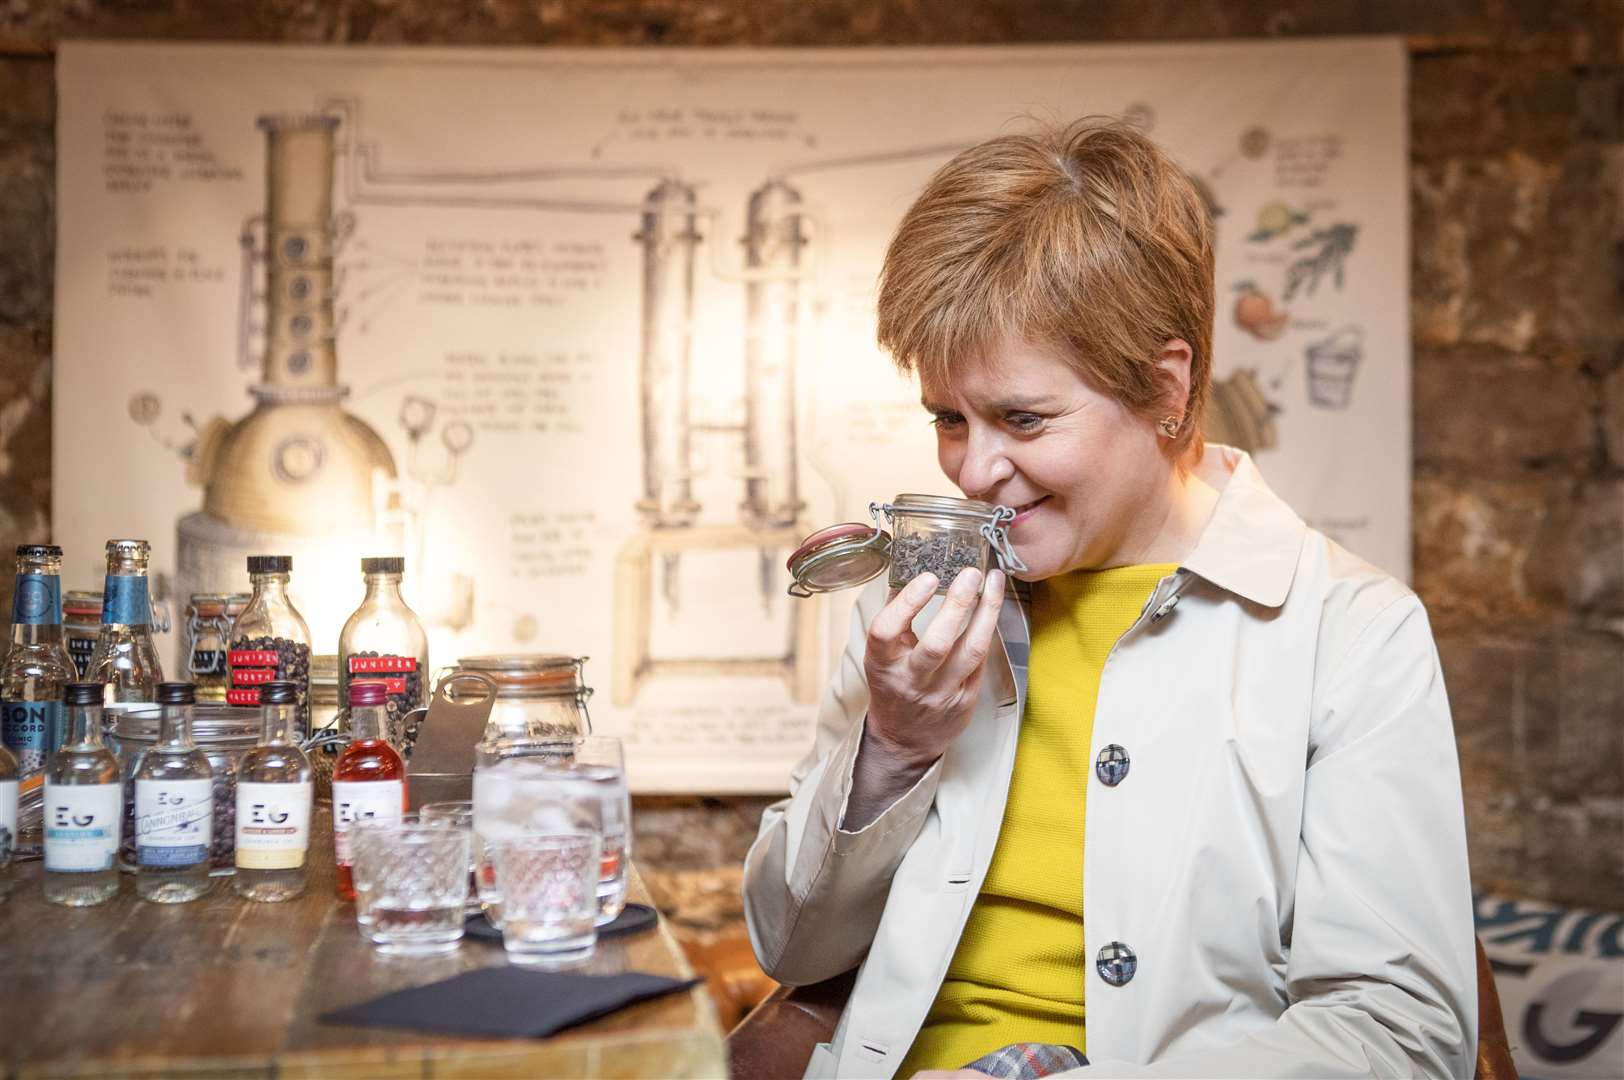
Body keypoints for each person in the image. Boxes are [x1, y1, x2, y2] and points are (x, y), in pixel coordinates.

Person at [742, 117, 1477, 1079]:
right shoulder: (920, 607)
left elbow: (1399, 1032)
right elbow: (791, 951)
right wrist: (892, 748)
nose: (976, 470)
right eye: (948, 419)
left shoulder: (1354, 634)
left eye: (1023, 418)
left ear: (1165, 387)